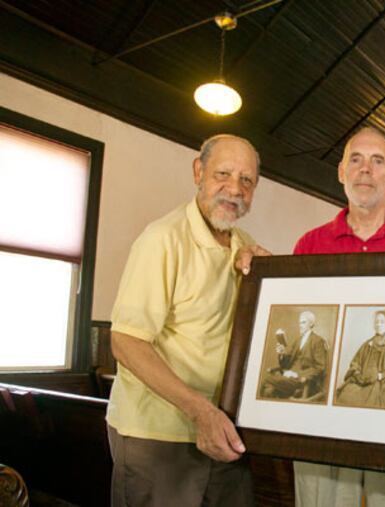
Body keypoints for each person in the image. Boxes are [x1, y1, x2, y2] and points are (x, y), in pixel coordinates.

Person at [237, 126, 385, 507]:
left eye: (377, 160)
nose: (365, 169)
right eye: (356, 159)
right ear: (341, 172)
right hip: (324, 428)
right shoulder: (310, 243)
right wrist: (267, 278)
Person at [106, 134, 271, 507]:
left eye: (246, 180)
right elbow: (126, 342)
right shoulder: (162, 238)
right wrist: (201, 412)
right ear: (198, 172)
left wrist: (266, 276)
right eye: (223, 174)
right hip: (158, 436)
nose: (234, 189)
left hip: (223, 428)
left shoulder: (242, 241)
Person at [336, 308, 385, 409]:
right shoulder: (368, 344)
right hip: (364, 381)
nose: (378, 325)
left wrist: (381, 375)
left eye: (382, 322)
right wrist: (357, 373)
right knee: (347, 393)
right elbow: (355, 362)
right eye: (377, 322)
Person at [260, 310, 329, 400]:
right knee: (268, 391)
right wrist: (281, 354)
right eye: (299, 322)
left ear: (311, 324)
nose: (300, 325)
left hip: (301, 380)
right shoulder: (298, 340)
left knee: (266, 380)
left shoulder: (318, 341)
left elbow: (319, 367)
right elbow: (286, 364)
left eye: (303, 322)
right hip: (288, 377)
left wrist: (297, 375)